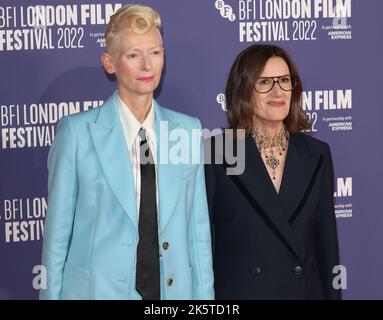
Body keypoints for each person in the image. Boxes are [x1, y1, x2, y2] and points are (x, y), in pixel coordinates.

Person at [40, 4, 214, 300]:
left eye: (155, 53)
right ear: (109, 63)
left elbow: (197, 236)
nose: (148, 65)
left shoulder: (187, 130)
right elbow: (56, 238)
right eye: (134, 55)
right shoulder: (77, 133)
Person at [205, 44, 341, 299]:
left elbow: (327, 246)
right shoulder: (216, 152)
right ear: (244, 90)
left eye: (285, 81)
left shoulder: (317, 154)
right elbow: (204, 246)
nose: (278, 91)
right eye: (265, 82)